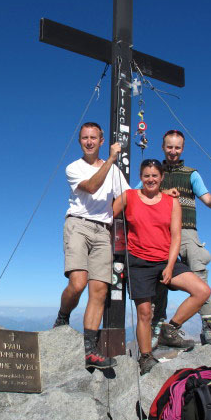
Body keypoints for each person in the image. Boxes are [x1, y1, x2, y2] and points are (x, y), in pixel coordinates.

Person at [113, 159, 211, 375]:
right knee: (145, 313)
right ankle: (146, 357)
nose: (150, 179)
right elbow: (107, 216)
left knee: (202, 291)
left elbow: (176, 236)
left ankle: (171, 329)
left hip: (166, 259)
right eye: (146, 175)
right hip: (138, 261)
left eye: (154, 176)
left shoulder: (170, 202)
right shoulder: (128, 197)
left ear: (162, 177)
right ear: (141, 177)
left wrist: (169, 265)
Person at [53, 122, 130, 369]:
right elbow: (92, 186)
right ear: (80, 141)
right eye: (85, 138)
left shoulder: (115, 172)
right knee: (78, 283)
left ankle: (90, 350)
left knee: (99, 290)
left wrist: (109, 215)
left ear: (100, 139)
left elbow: (126, 197)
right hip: (78, 224)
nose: (89, 141)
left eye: (93, 137)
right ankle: (63, 317)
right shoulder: (74, 167)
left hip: (103, 230)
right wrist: (111, 160)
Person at [150, 130, 211, 348]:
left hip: (186, 230)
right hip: (160, 231)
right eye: (169, 147)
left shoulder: (191, 174)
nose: (173, 151)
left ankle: (207, 326)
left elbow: (210, 201)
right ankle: (157, 325)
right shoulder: (154, 173)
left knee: (198, 267)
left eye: (177, 147)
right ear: (163, 148)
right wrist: (163, 193)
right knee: (159, 274)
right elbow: (141, 195)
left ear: (182, 149)